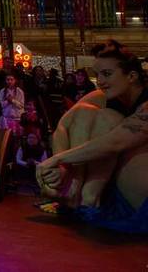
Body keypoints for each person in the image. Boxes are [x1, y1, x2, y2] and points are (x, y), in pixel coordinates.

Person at [38, 41, 148, 232]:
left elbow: (115, 142)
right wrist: (63, 170)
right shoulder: (104, 95)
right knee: (83, 110)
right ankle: (76, 192)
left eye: (107, 74)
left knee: (108, 117)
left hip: (139, 188)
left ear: (131, 76)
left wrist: (58, 159)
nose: (101, 81)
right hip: (112, 183)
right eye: (98, 75)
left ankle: (88, 197)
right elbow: (64, 125)